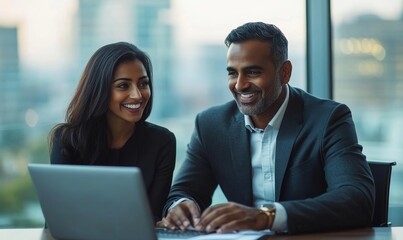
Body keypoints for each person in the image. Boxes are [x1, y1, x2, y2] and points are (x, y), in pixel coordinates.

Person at [159, 22, 375, 234]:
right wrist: (181, 206)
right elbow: (183, 191)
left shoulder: (328, 118)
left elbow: (357, 199)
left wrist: (266, 217)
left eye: (252, 72)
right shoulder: (211, 124)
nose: (240, 85)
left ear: (285, 73)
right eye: (233, 73)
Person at [48, 42, 176, 222]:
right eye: (123, 85)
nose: (138, 95)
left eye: (143, 83)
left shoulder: (162, 142)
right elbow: (61, 216)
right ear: (100, 89)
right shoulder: (68, 140)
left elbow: (153, 217)